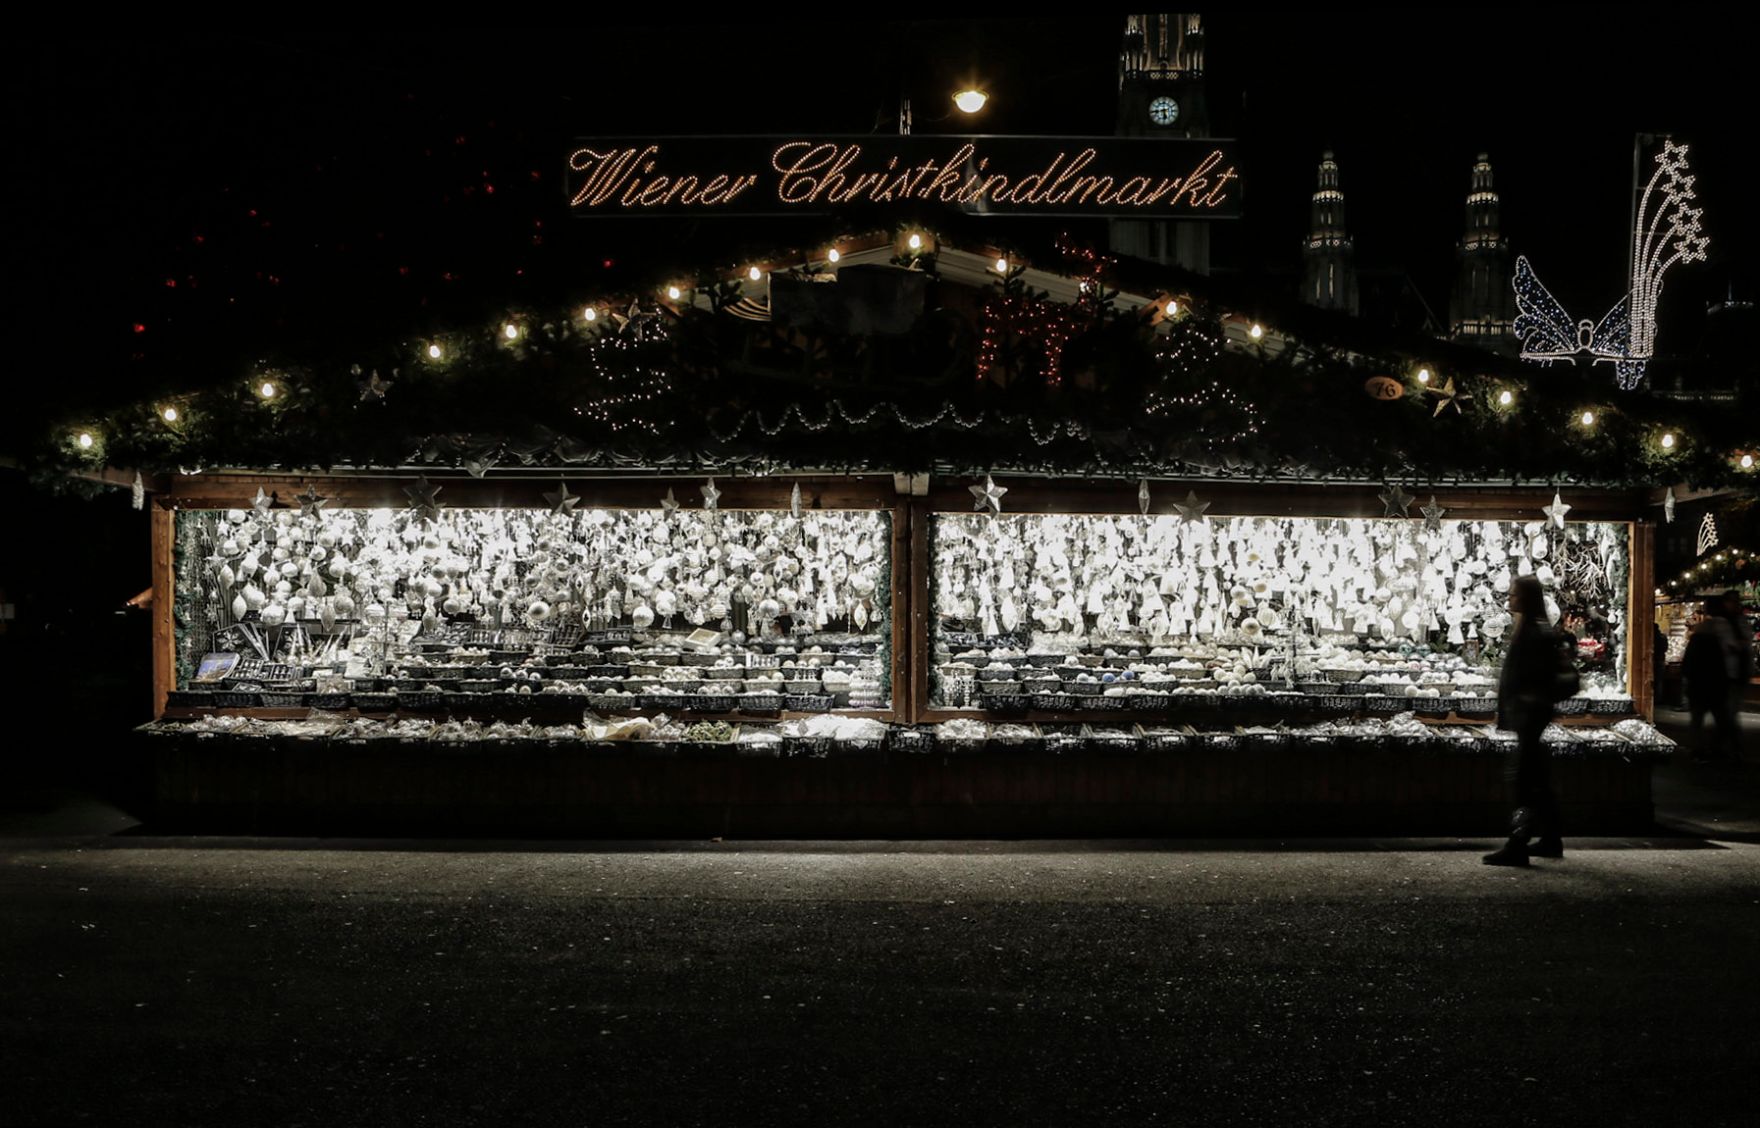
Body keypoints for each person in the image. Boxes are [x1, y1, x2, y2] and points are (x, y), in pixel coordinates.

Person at [1485, 575, 1576, 867]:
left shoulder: (1535, 633)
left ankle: (1518, 844)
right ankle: (1551, 839)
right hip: (1531, 715)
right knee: (1538, 779)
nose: (1509, 599)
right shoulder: (1531, 628)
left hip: (1530, 716)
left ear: (1525, 598)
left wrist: (1524, 701)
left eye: (1513, 595)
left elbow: (1534, 678)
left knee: (1523, 781)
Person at [1682, 600, 1739, 764]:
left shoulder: (1696, 642)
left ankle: (1698, 750)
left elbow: (1687, 666)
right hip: (1715, 688)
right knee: (1721, 720)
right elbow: (1722, 666)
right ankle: (1715, 749)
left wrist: (1689, 682)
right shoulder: (1716, 644)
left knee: (1697, 721)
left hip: (1699, 687)